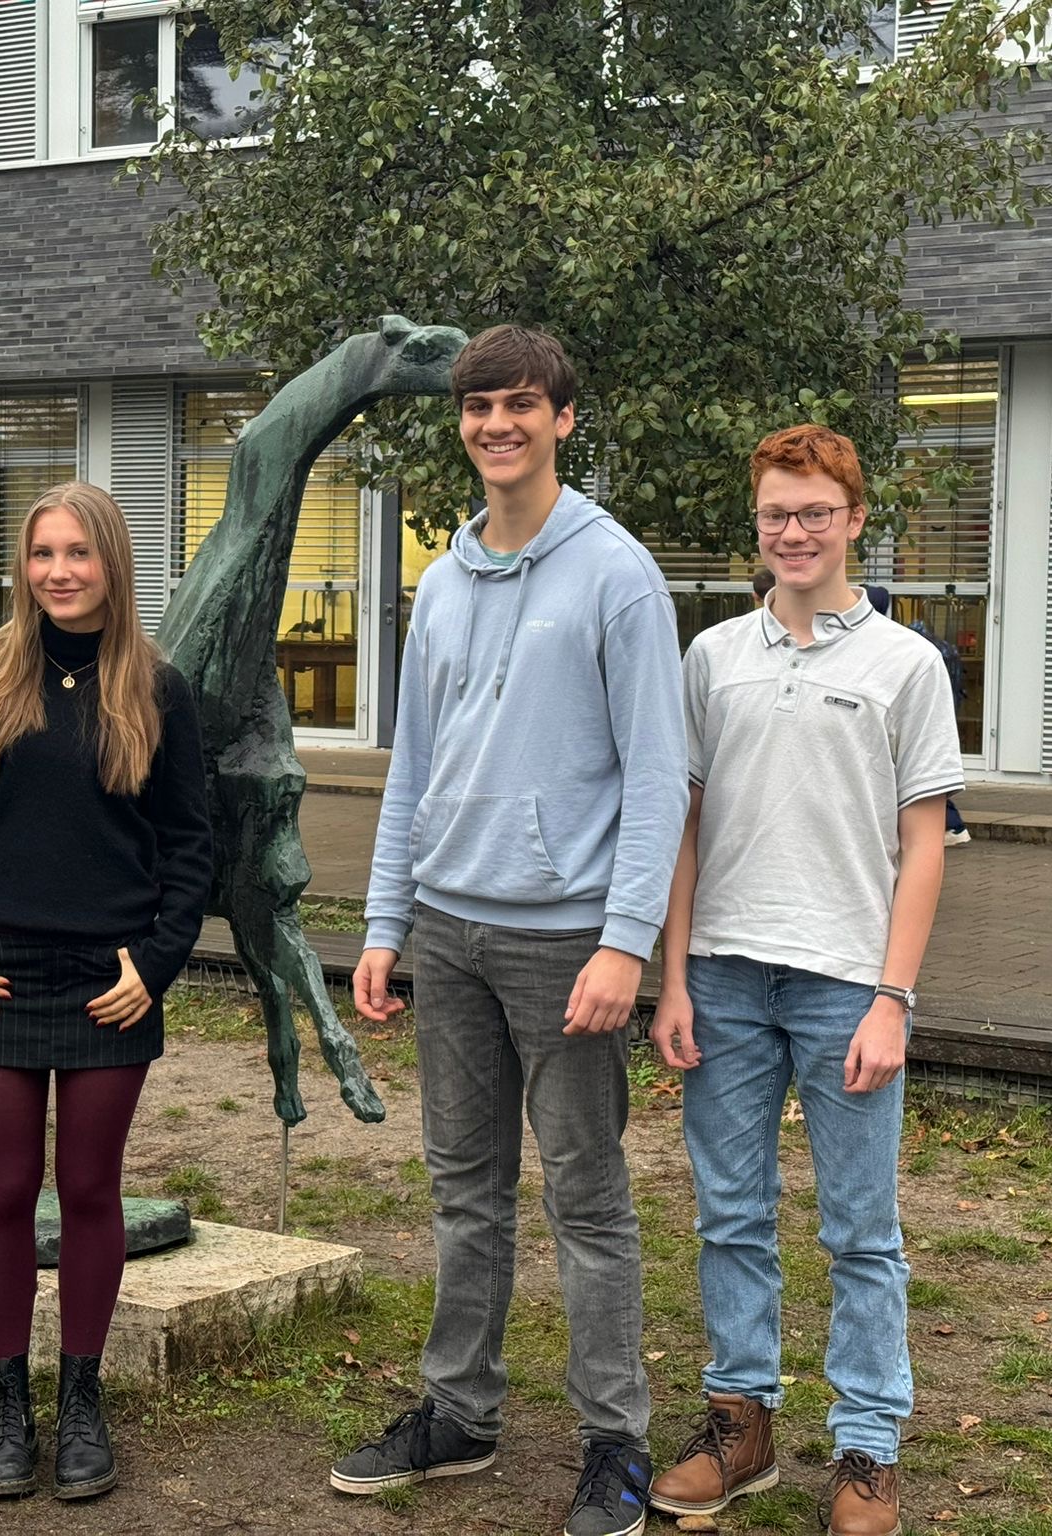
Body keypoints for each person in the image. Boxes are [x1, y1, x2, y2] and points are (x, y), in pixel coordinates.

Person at [333, 325, 687, 1536]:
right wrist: (384, 922)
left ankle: (614, 1442)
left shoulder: (616, 576)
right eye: (478, 406)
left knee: (585, 1198)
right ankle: (459, 1414)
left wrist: (623, 942)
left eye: (520, 404)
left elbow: (657, 775)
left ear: (561, 420)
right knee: (463, 1191)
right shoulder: (439, 583)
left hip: (564, 946)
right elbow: (412, 769)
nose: (497, 424)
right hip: (447, 930)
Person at [648, 426, 963, 1536]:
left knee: (860, 1230)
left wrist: (892, 999)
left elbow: (923, 843)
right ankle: (740, 1425)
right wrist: (672, 978)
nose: (794, 532)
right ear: (758, 522)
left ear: (855, 520)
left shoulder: (906, 665)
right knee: (728, 1215)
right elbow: (682, 825)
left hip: (846, 985)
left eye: (814, 512)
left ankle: (868, 1449)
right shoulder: (711, 656)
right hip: (723, 978)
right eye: (776, 513)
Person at [0, 481, 213, 1504]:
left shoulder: (158, 688)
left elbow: (191, 844)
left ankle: (81, 1397)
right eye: (42, 553)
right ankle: (7, 1400)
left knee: (90, 1190)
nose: (59, 572)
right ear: (24, 566)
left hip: (108, 982)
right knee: (4, 1189)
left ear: (111, 564)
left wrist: (157, 961)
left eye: (78, 553)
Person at [865, 585, 970, 847]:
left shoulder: (904, 648)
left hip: (921, 709)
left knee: (921, 775)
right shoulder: (930, 645)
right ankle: (953, 825)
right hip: (942, 705)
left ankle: (953, 825)